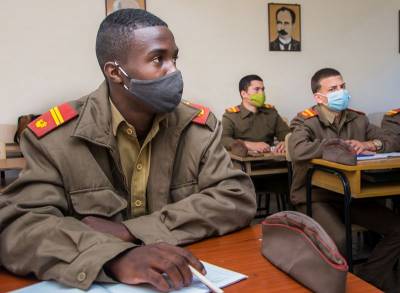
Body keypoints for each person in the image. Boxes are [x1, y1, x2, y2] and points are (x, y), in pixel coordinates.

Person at [0, 9, 256, 291]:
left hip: (189, 274)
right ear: (115, 72)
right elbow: (17, 227)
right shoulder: (56, 138)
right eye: (158, 59)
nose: (174, 71)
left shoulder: (197, 127)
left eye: (174, 58)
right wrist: (113, 256)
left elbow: (236, 197)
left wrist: (130, 231)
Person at [289, 67, 400, 291]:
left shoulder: (358, 119)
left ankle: (367, 280)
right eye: (333, 89)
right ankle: (333, 286)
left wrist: (372, 144)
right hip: (317, 196)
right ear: (318, 97)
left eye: (342, 86)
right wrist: (340, 146)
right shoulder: (305, 121)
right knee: (338, 239)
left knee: (398, 228)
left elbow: (392, 139)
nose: (341, 92)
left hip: (352, 195)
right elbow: (298, 149)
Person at [221, 74, 290, 154]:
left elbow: (287, 134)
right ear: (244, 94)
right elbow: (224, 139)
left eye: (263, 89)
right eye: (256, 89)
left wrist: (286, 142)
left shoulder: (271, 112)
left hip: (271, 159)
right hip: (244, 162)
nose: (262, 93)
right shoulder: (231, 116)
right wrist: (247, 145)